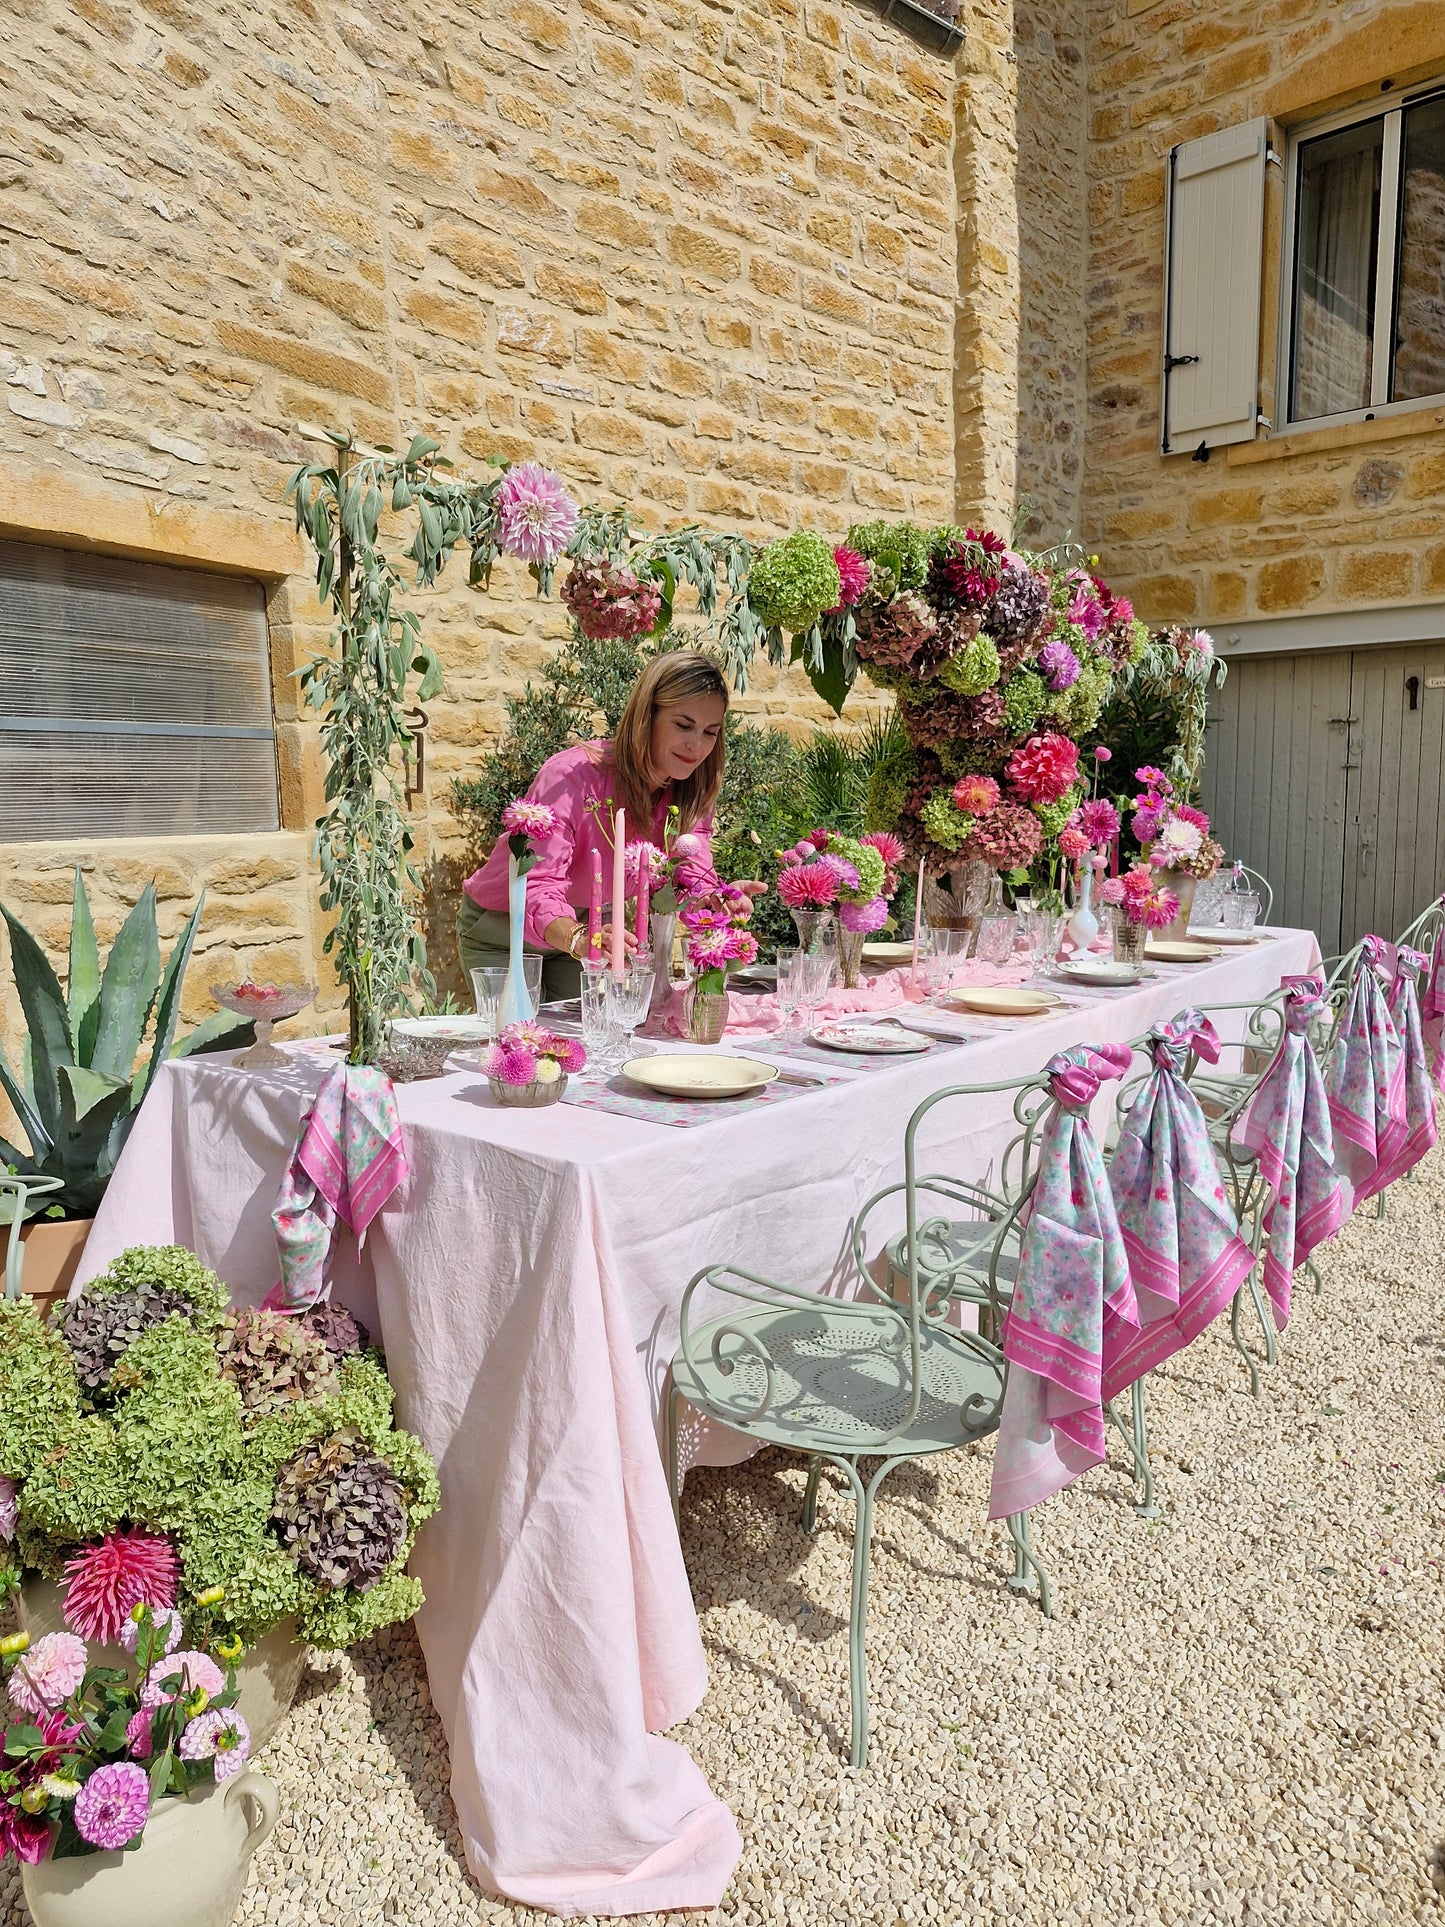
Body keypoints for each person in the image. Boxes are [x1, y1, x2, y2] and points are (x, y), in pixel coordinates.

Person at [459, 650, 753, 1002]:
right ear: (647, 716)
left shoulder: (693, 789)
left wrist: (717, 899)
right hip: (504, 929)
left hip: (592, 929)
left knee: (589, 1042)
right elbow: (536, 883)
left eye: (710, 732)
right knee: (521, 1046)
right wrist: (578, 936)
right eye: (683, 725)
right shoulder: (572, 776)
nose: (696, 746)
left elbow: (689, 870)